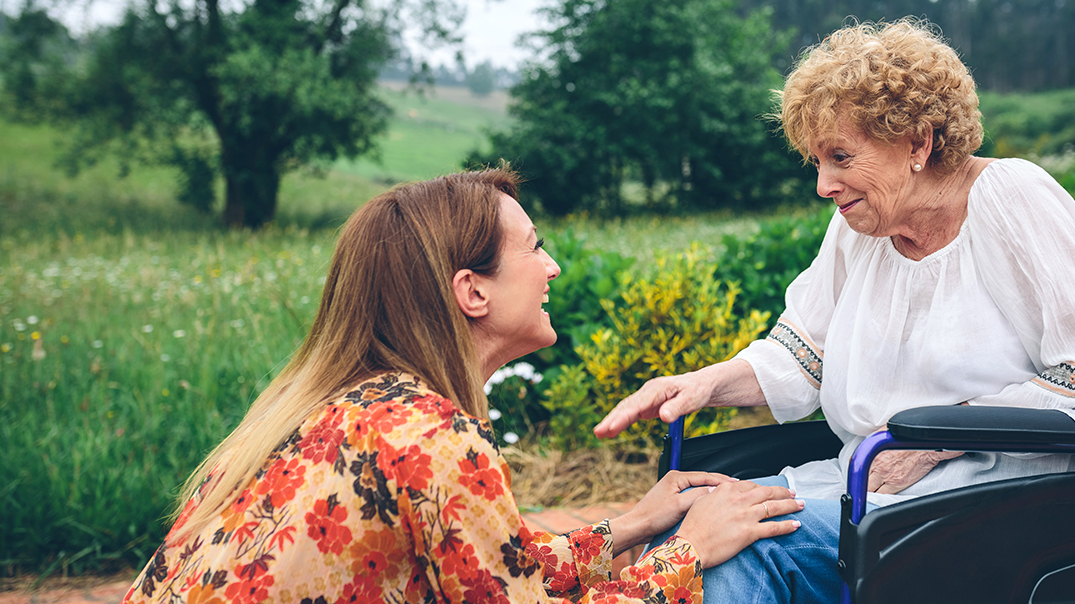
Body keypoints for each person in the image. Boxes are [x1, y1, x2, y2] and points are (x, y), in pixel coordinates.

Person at [593, 19, 1075, 603]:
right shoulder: (861, 226)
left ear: (917, 143)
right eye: (817, 162)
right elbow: (801, 356)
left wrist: (929, 443)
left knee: (741, 547)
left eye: (841, 157)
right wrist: (700, 384)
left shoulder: (1010, 197)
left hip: (993, 495)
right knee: (683, 531)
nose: (824, 185)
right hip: (872, 483)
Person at [119, 169, 803, 604]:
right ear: (472, 292)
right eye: (534, 247)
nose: (552, 268)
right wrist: (688, 552)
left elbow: (491, 571)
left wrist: (632, 525)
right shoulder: (434, 440)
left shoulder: (332, 407)